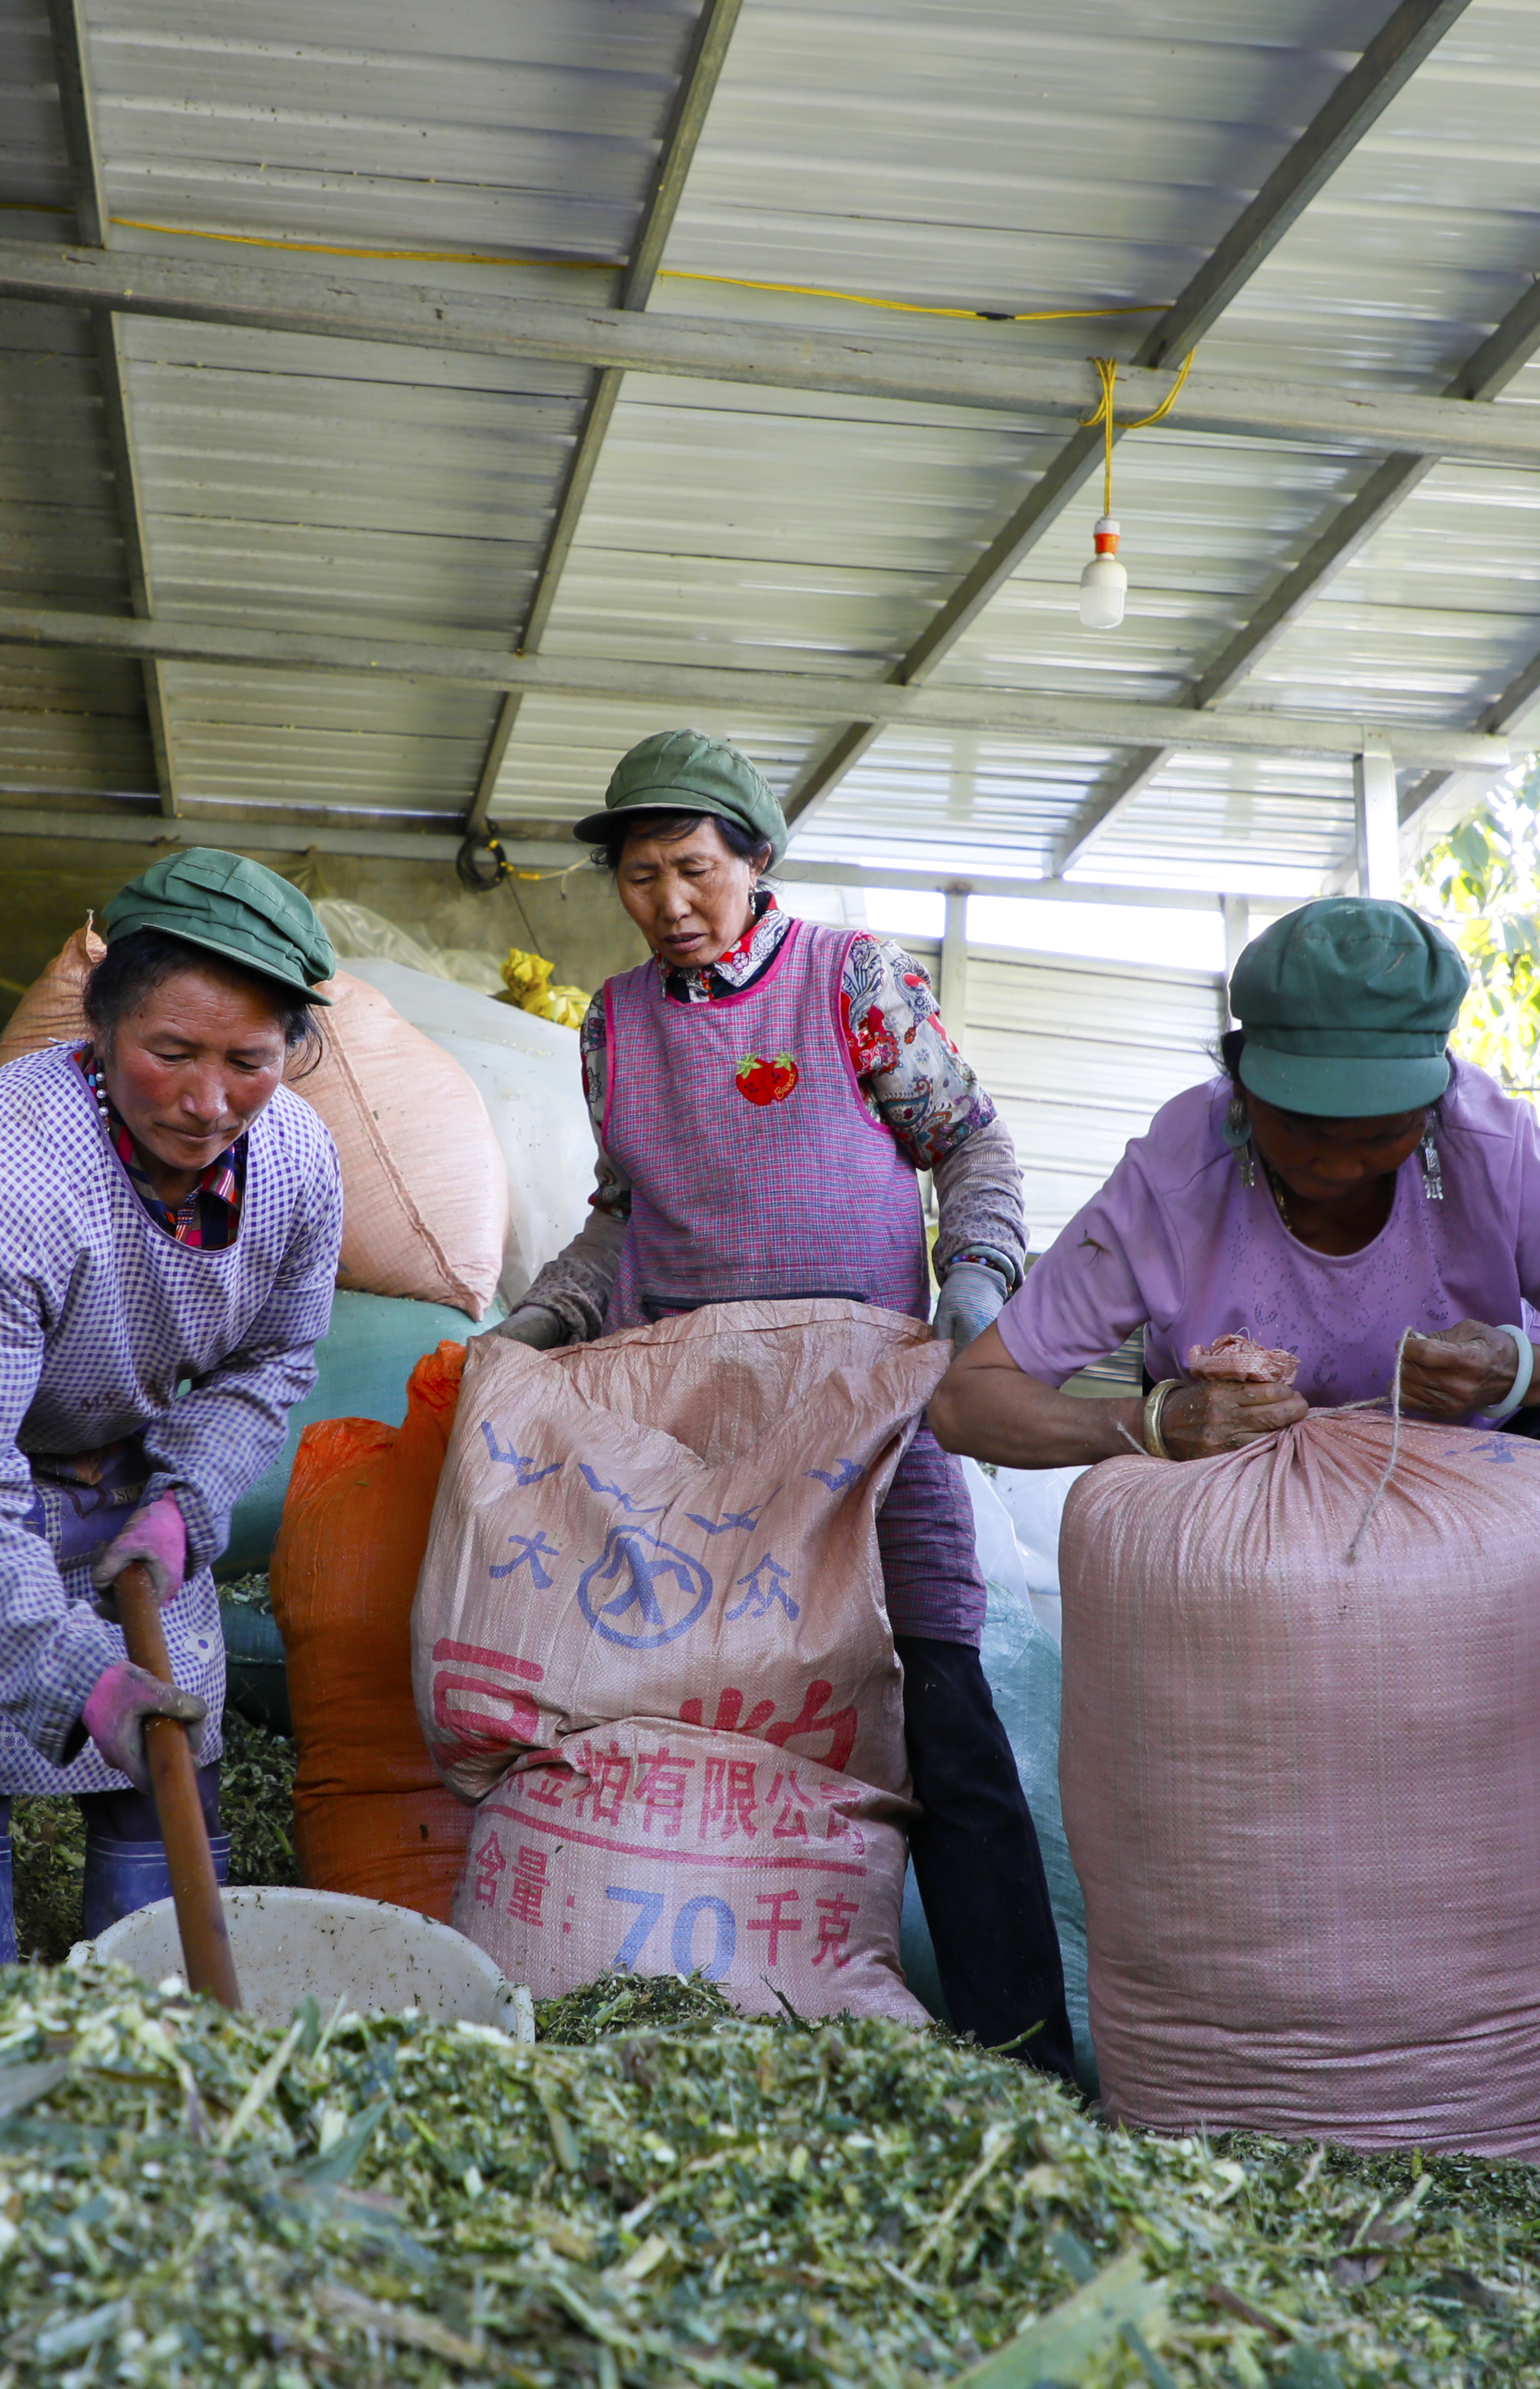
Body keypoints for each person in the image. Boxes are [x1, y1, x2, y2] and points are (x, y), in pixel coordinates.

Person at [486, 728, 1077, 2078]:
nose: (671, 904)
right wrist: (528, 1329)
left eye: (695, 869)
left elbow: (970, 1138)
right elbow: (620, 1220)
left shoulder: (853, 981)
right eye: (639, 878)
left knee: (945, 1724)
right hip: (698, 1446)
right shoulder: (614, 1025)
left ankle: (1026, 2073)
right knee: (724, 1738)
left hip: (871, 1428)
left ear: (758, 861)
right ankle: (733, 2044)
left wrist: (976, 1282)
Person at [0, 850, 344, 1963]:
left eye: (249, 1061)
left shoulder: (299, 1165)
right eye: (169, 1052)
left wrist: (187, 1498)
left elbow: (273, 1359)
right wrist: (74, 1676)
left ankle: (142, 1937)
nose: (206, 1100)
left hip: (99, 1396)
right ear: (99, 1028)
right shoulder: (9, 1178)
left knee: (163, 1675)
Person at [929, 895, 1540, 1470]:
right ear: (1242, 1086)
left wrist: (1527, 1370)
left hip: (1489, 1464)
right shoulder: (1178, 1175)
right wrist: (1148, 1422)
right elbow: (970, 1403)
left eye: (1383, 1132)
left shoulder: (1495, 1152)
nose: (1339, 1164)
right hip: (1230, 1485)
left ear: (1436, 1096)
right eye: (1305, 1127)